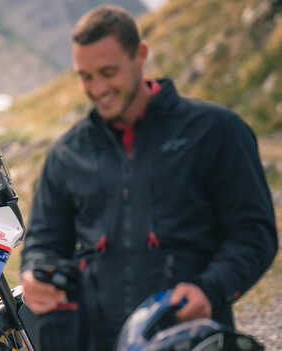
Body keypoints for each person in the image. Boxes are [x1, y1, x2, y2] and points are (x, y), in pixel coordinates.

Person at [20, 5, 278, 350]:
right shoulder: (67, 154)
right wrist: (37, 273)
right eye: (85, 76)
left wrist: (211, 288)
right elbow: (43, 243)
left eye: (108, 73)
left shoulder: (217, 132)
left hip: (188, 338)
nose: (97, 89)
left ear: (140, 56)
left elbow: (254, 234)